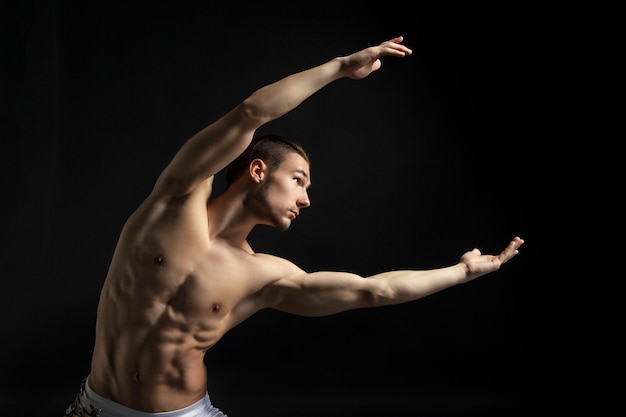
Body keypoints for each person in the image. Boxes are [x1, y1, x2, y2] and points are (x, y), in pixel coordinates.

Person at [63, 35, 524, 417]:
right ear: (258, 170)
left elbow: (373, 291)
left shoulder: (265, 276)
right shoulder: (176, 198)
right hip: (95, 408)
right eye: (298, 180)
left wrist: (461, 272)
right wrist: (341, 66)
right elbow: (251, 114)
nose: (306, 198)